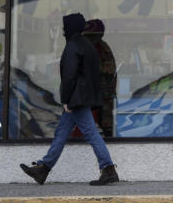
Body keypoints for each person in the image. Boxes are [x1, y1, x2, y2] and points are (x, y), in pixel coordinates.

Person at [20, 12, 119, 186]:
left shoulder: (73, 45)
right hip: (82, 96)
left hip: (76, 99)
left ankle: (108, 168)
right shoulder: (86, 45)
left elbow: (70, 75)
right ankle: (43, 169)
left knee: (91, 133)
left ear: (70, 28)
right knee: (62, 132)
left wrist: (66, 99)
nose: (63, 30)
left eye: (65, 27)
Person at [83, 18, 116, 137]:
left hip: (103, 94)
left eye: (90, 36)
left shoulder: (103, 47)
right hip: (90, 94)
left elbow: (110, 68)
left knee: (105, 125)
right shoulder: (87, 47)